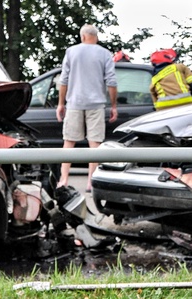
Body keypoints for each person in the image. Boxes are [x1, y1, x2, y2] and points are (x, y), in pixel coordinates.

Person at [56, 24, 118, 192]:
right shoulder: (105, 54)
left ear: (82, 36)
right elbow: (111, 82)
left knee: (69, 142)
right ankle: (91, 182)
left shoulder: (71, 52)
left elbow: (64, 80)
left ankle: (64, 179)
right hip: (96, 105)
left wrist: (61, 104)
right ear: (95, 37)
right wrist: (113, 105)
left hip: (74, 103)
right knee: (95, 145)